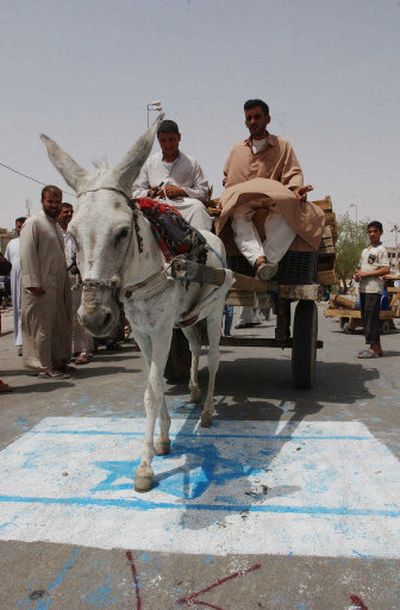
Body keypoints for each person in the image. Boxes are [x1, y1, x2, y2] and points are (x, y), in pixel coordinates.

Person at [217, 98, 323, 280]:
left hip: (274, 200)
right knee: (237, 218)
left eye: (257, 117)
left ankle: (264, 266)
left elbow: (293, 174)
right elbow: (229, 181)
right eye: (249, 118)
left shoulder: (283, 145)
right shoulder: (237, 150)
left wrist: (296, 189)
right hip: (245, 202)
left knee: (291, 216)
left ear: (268, 119)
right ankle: (260, 261)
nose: (253, 122)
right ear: (245, 122)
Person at [20, 185, 72, 378]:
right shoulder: (34, 223)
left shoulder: (54, 225)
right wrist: (32, 282)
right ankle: (43, 366)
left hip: (56, 286)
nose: (54, 205)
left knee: (58, 325)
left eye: (57, 201)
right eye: (51, 201)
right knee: (42, 327)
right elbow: (27, 254)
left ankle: (57, 362)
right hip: (39, 287)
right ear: (42, 201)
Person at [132, 119, 213, 231]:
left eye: (171, 139)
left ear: (179, 137)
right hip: (156, 206)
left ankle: (202, 246)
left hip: (184, 205)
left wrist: (181, 191)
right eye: (163, 141)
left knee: (198, 208)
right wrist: (150, 192)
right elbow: (135, 192)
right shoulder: (150, 163)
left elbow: (203, 192)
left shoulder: (192, 163)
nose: (168, 144)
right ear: (158, 140)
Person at [58, 202, 93, 365]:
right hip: (59, 278)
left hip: (77, 278)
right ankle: (67, 350)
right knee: (64, 316)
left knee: (80, 314)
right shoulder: (54, 232)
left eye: (71, 212)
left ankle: (84, 350)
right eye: (65, 212)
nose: (69, 214)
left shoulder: (77, 231)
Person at [353, 221, 389, 358]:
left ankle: (375, 348)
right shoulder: (366, 250)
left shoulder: (381, 250)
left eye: (375, 231)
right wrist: (357, 274)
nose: (372, 234)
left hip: (374, 289)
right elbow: (362, 269)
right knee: (366, 317)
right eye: (370, 231)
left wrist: (366, 274)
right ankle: (374, 347)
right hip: (363, 288)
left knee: (371, 318)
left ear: (380, 232)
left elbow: (386, 269)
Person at [5, 217, 27, 355]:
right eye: (18, 227)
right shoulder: (12, 243)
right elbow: (7, 264)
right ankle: (20, 343)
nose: (21, 229)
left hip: (30, 279)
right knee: (18, 311)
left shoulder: (34, 241)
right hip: (16, 281)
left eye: (23, 226)